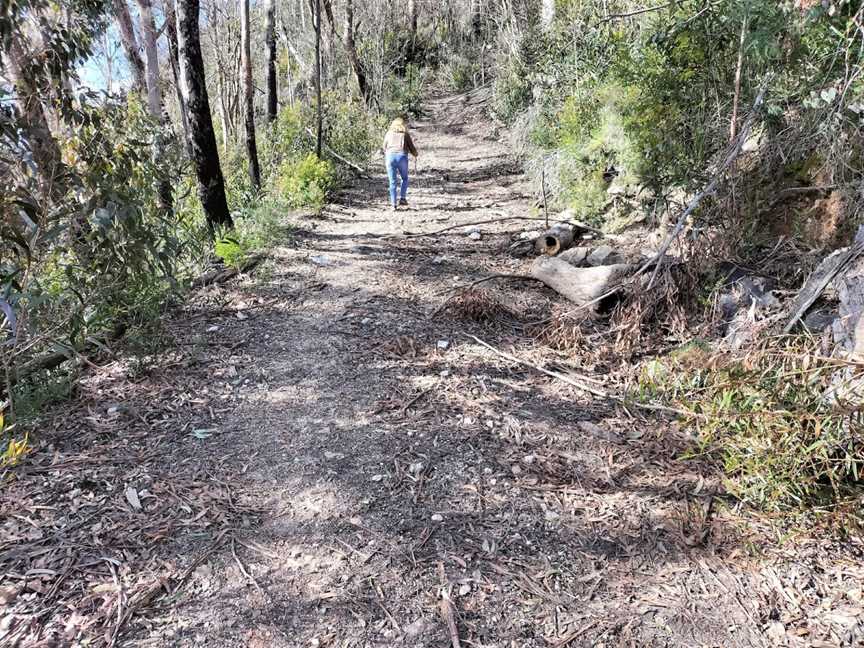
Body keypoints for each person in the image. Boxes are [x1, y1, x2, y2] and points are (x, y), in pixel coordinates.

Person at [382, 117, 418, 211]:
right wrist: (415, 154)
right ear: (403, 125)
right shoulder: (405, 135)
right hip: (402, 157)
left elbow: (384, 146)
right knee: (404, 178)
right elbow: (412, 148)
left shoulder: (388, 133)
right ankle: (402, 198)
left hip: (390, 157)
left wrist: (388, 154)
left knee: (392, 182)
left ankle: (393, 204)